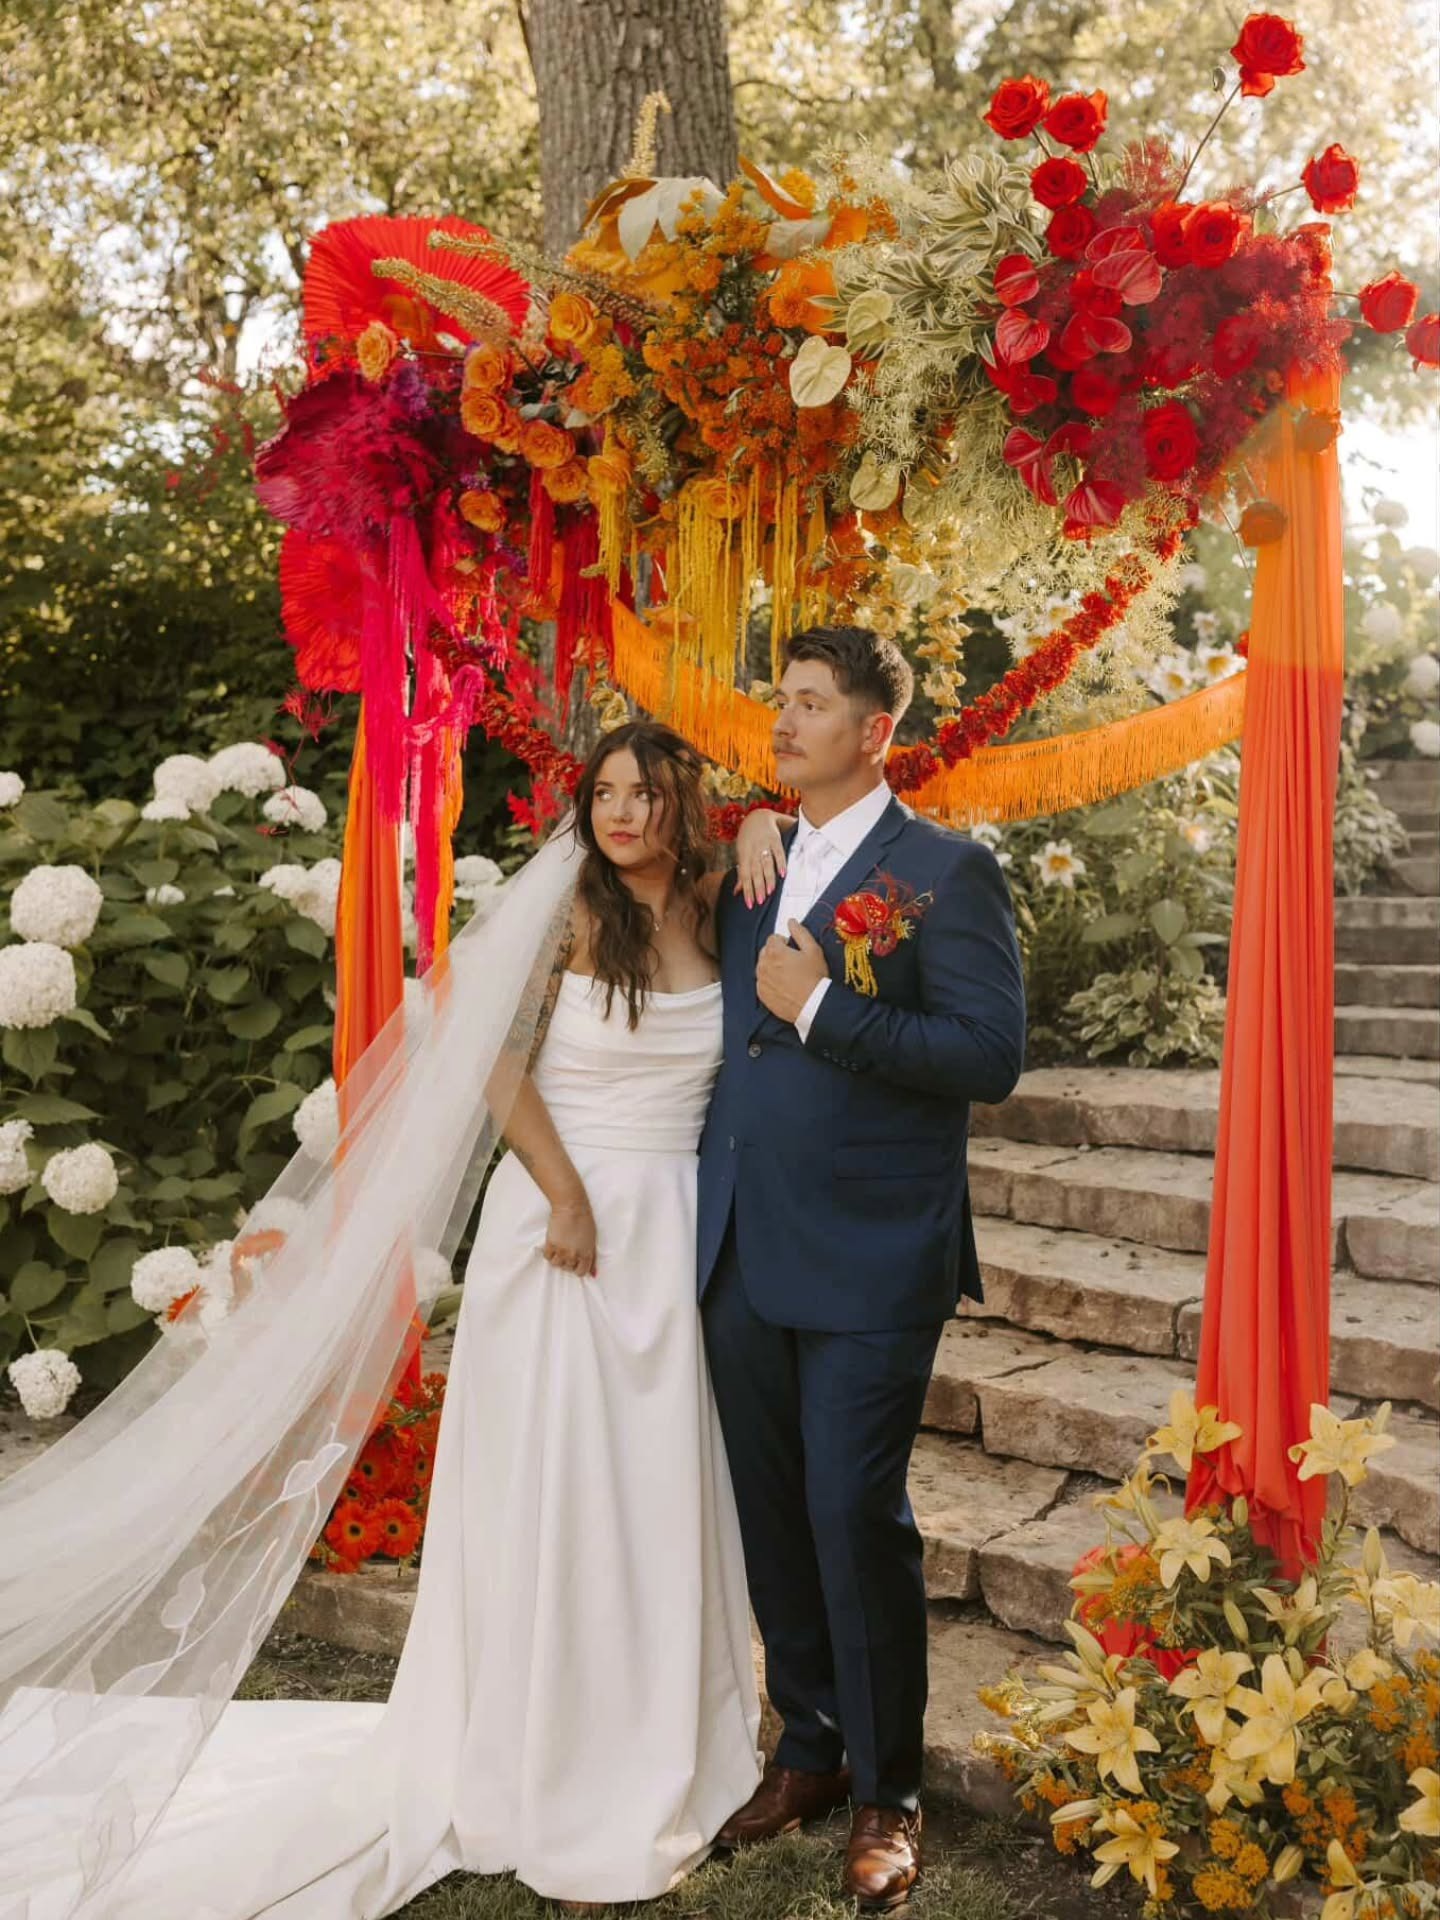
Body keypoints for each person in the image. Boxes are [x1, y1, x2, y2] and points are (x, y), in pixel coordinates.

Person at [0, 719, 783, 1919]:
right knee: (559, 1495)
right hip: (566, 1230)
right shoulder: (574, 909)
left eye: (646, 795)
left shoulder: (722, 902)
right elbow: (494, 1065)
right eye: (606, 794)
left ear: (686, 806)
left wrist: (770, 819)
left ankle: (663, 1732)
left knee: (658, 1494)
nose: (622, 815)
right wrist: (567, 1193)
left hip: (676, 1230)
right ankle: (543, 1759)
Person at [699, 624, 1027, 1912]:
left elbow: (986, 1057)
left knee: (854, 1513)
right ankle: (810, 1750)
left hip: (878, 1250)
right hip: (740, 1241)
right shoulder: (756, 861)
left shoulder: (949, 871)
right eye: (780, 700)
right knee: (775, 1517)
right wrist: (739, 826)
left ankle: (890, 1788)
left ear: (875, 732)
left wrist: (824, 1007)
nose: (783, 723)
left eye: (812, 703)